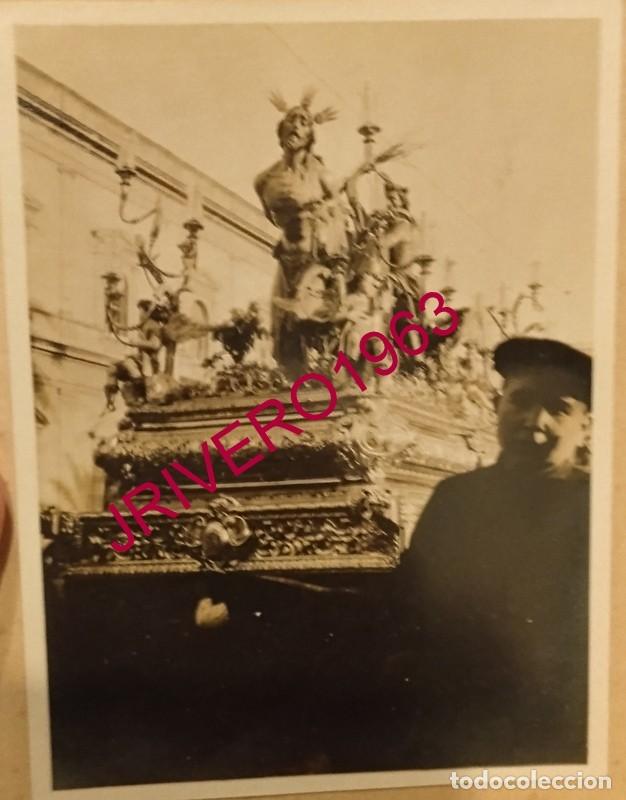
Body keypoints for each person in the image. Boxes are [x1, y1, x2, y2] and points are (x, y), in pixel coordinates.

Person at [386, 337, 592, 769]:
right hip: (460, 727)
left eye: (559, 408)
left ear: (585, 425)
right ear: (497, 406)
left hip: (562, 734)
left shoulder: (600, 506)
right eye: (520, 400)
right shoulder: (456, 498)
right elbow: (409, 611)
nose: (534, 422)